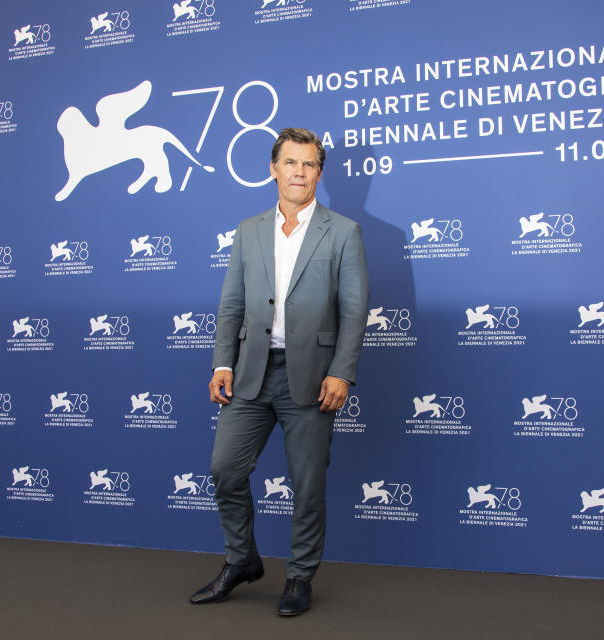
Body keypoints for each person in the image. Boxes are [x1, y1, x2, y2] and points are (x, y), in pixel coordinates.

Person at [189, 128, 369, 616]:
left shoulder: (344, 232)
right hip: (250, 371)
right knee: (224, 469)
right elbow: (230, 304)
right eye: (290, 163)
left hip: (311, 378)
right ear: (273, 169)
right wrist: (222, 361)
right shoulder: (249, 229)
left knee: (307, 483)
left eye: (309, 165)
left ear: (319, 173)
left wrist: (342, 373)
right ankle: (242, 560)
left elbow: (355, 311)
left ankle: (300, 576)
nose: (299, 173)